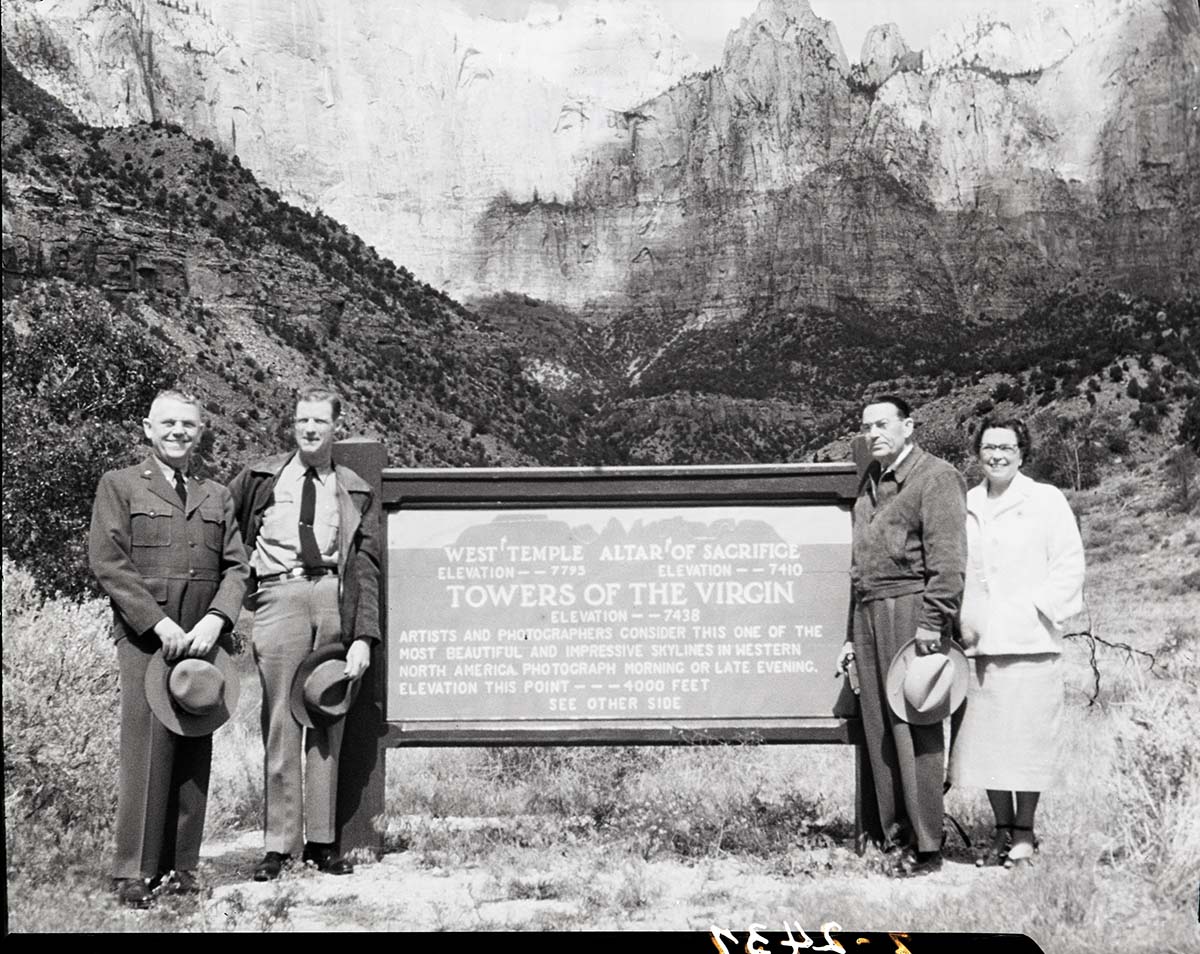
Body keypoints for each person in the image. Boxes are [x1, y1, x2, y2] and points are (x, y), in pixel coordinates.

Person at [88, 389, 249, 907]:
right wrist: (157, 624)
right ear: (148, 429)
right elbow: (109, 561)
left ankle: (182, 867)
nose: (179, 432)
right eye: (169, 424)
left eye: (189, 425)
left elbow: (237, 568)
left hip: (203, 642)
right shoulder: (120, 485)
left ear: (200, 432)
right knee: (146, 749)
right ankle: (132, 871)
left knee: (193, 746)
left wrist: (217, 619)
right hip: (146, 639)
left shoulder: (217, 494)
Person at [229, 387, 381, 881]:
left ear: (336, 426)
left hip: (332, 601)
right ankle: (278, 846)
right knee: (280, 721)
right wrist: (234, 594)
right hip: (279, 598)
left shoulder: (354, 488)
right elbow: (226, 534)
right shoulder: (259, 478)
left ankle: (321, 842)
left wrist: (363, 635)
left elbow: (366, 567)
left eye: (318, 421)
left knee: (326, 715)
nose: (309, 429)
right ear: (292, 425)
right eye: (301, 421)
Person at [837, 395, 967, 877]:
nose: (874, 433)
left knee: (915, 725)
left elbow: (949, 562)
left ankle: (927, 844)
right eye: (867, 425)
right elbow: (859, 567)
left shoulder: (936, 478)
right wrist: (852, 633)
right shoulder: (869, 484)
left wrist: (933, 622)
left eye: (884, 424)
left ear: (909, 426)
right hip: (870, 613)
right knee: (879, 730)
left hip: (912, 611)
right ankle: (895, 837)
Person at [949, 416, 1085, 868]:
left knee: (1027, 744)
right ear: (978, 453)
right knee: (988, 744)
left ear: (1022, 453)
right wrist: (963, 621)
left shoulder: (1044, 500)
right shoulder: (966, 504)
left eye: (1006, 447)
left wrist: (1037, 609)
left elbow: (1069, 562)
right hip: (982, 644)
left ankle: (1025, 833)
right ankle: (1001, 831)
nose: (997, 455)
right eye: (989, 447)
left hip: (1032, 642)